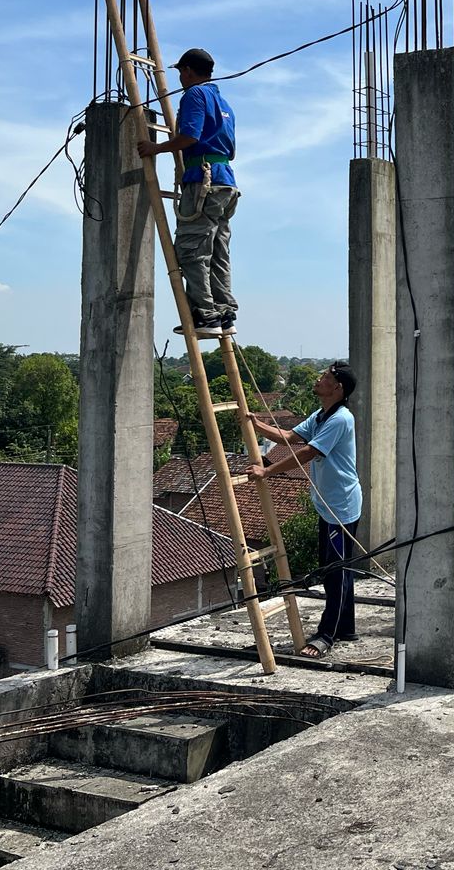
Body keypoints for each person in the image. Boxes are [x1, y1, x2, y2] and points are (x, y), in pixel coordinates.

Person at [250, 362, 361, 658]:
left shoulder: (341, 419)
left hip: (341, 507)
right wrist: (255, 424)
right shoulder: (321, 415)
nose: (319, 379)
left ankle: (327, 635)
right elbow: (289, 437)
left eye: (325, 377)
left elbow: (308, 452)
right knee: (336, 568)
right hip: (329, 506)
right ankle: (346, 627)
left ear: (337, 387)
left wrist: (266, 472)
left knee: (335, 573)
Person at [136, 47, 239, 338]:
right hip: (225, 182)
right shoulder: (223, 102)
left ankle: (205, 315)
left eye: (181, 72)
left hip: (203, 180)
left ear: (188, 71)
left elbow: (190, 136)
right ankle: (224, 313)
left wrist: (156, 148)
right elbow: (230, 149)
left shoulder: (195, 95)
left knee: (193, 250)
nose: (180, 78)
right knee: (217, 252)